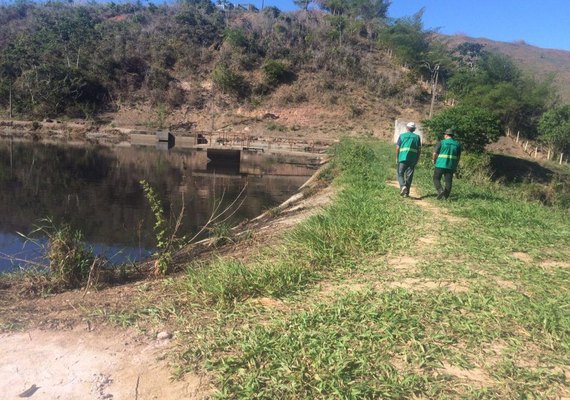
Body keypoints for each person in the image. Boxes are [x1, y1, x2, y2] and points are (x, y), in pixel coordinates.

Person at [432, 128, 462, 200]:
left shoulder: (441, 142)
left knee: (436, 178)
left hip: (440, 164)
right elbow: (458, 157)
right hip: (451, 165)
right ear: (452, 136)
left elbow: (435, 153)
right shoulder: (457, 144)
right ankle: (445, 197)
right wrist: (455, 165)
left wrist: (434, 160)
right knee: (448, 181)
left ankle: (440, 191)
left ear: (446, 135)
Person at [396, 121, 421, 197]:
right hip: (412, 159)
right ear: (414, 129)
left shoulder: (402, 136)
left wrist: (397, 157)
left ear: (407, 128)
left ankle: (403, 186)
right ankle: (406, 193)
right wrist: (417, 158)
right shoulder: (417, 137)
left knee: (400, 173)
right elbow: (419, 150)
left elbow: (397, 148)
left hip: (402, 158)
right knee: (409, 176)